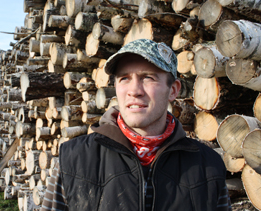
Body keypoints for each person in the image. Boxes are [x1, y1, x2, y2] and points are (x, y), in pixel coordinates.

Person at [41, 39, 231, 211]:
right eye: (124, 78)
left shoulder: (208, 167)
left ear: (173, 90)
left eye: (148, 77)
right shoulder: (73, 160)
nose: (134, 91)